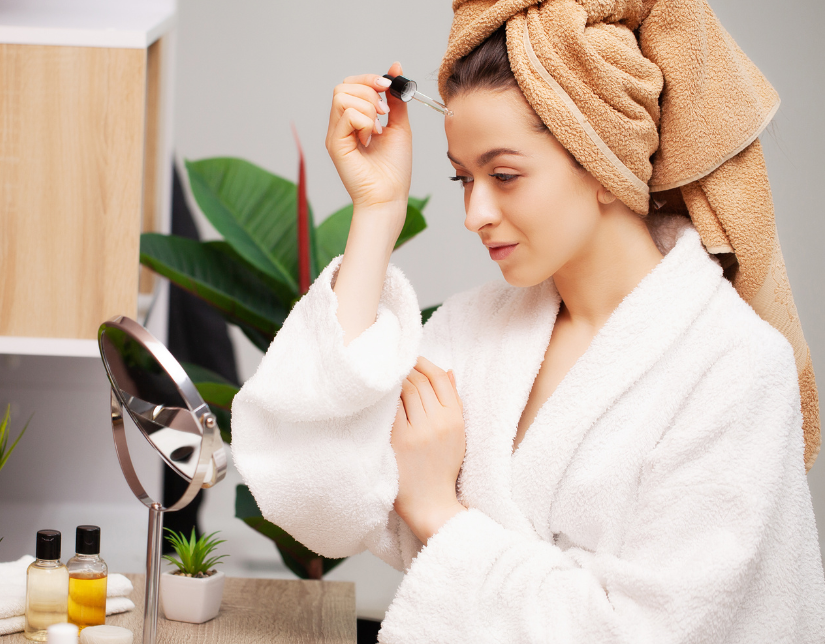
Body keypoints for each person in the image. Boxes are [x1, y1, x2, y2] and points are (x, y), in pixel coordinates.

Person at [230, 1, 825, 642]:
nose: (474, 213)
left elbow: (645, 631)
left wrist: (438, 514)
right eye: (463, 178)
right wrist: (378, 211)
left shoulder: (733, 368)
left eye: (504, 175)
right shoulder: (476, 333)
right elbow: (312, 489)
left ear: (600, 159)